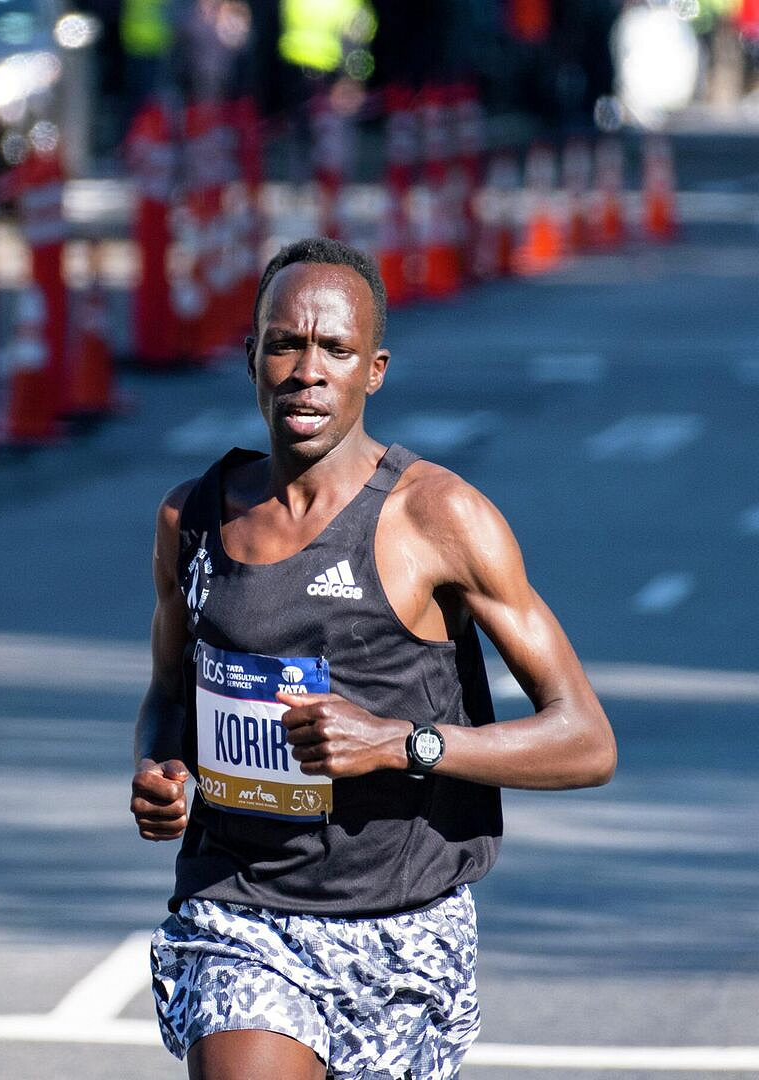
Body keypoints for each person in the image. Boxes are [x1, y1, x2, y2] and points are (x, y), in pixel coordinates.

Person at [131, 237, 614, 1079]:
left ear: (374, 369)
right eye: (285, 343)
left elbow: (585, 740)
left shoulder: (439, 516)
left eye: (334, 349)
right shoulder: (192, 519)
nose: (306, 371)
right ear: (252, 357)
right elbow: (169, 691)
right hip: (243, 913)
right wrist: (162, 769)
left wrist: (400, 742)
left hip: (404, 926)